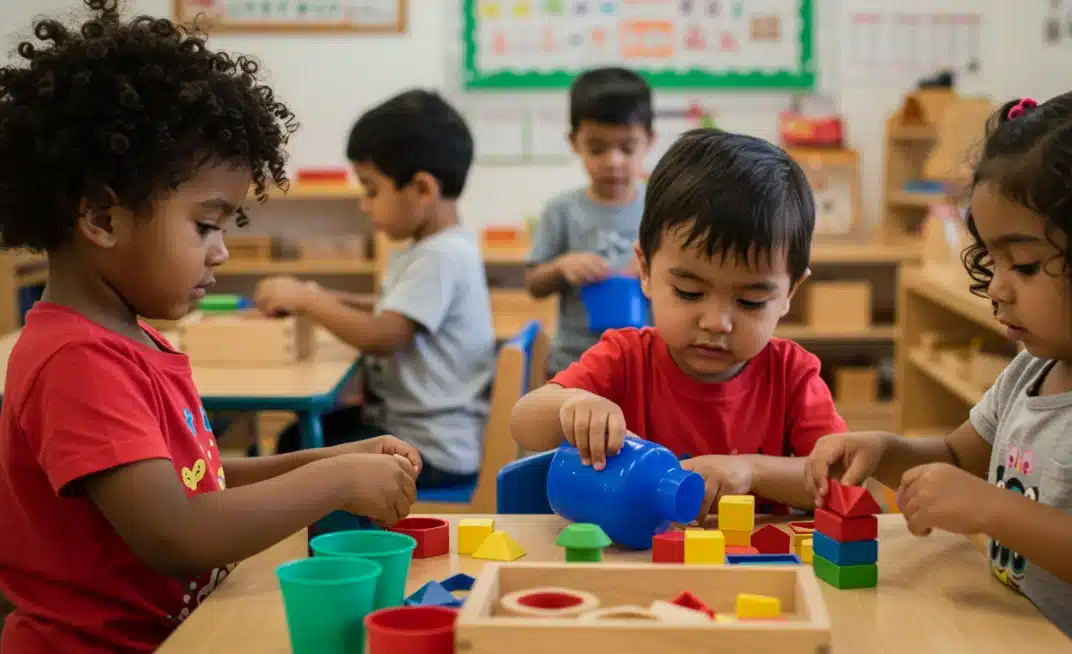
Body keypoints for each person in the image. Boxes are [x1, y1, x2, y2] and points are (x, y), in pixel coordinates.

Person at [0, 2, 423, 651]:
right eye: (206, 225)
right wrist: (333, 483)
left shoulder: (129, 340)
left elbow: (198, 480)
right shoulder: (75, 360)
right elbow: (177, 532)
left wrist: (331, 457)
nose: (221, 252)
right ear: (102, 220)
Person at [804, 78, 1072, 653]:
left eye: (1027, 265)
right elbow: (958, 457)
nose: (999, 289)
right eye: (993, 261)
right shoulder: (1032, 370)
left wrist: (991, 508)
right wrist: (887, 452)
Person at [511, 128, 847, 519]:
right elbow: (523, 422)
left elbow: (841, 478)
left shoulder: (792, 375)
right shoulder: (624, 358)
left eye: (750, 301)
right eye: (689, 292)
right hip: (638, 565)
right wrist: (575, 403)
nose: (716, 322)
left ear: (791, 291)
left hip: (756, 570)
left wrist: (752, 471)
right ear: (647, 271)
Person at [254, 89, 494, 489]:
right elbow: (394, 306)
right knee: (296, 442)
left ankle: (320, 541)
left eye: (371, 189)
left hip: (429, 449)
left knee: (295, 448)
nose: (365, 205)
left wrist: (307, 300)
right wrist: (329, 298)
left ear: (422, 189)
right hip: (420, 434)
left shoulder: (440, 256)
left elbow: (386, 335)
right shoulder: (438, 249)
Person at [525, 67, 655, 375]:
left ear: (649, 141)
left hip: (645, 363)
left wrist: (657, 270)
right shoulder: (561, 210)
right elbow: (533, 284)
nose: (613, 161)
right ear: (574, 142)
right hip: (574, 363)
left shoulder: (662, 206)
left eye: (627, 147)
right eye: (597, 148)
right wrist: (561, 268)